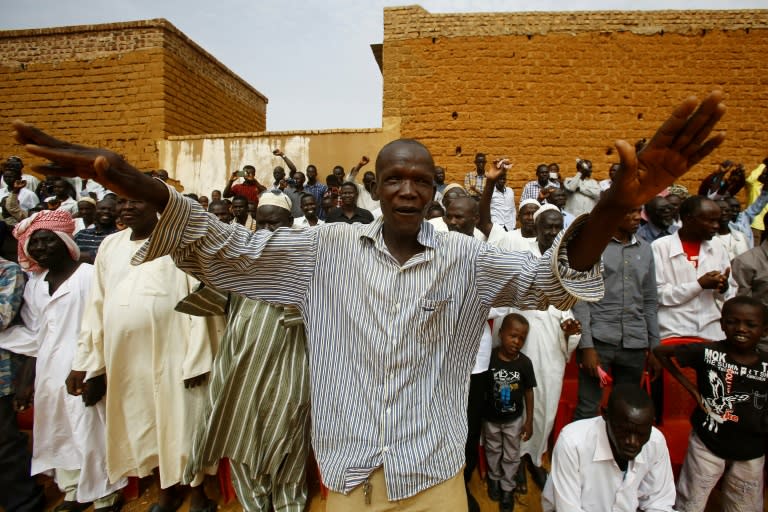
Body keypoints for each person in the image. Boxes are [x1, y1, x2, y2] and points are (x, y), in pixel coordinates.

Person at [11, 90, 727, 509]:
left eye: (420, 178)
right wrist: (140, 185)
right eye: (394, 180)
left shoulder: (471, 262)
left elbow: (547, 280)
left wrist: (613, 209)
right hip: (348, 471)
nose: (409, 190)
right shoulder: (322, 252)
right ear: (376, 189)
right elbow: (228, 252)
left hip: (435, 476)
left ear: (435, 184)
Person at [66, 197, 220, 512]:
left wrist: (198, 358)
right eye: (122, 202)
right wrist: (86, 363)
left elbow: (202, 301)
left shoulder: (179, 242)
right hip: (127, 358)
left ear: (156, 206)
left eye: (136, 200)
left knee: (184, 422)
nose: (127, 207)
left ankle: (198, 493)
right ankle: (167, 490)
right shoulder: (111, 246)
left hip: (174, 351)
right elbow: (97, 304)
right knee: (146, 422)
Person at [181, 193, 311, 511]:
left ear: (290, 224)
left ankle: (288, 503)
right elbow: (210, 294)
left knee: (288, 434)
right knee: (239, 432)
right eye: (261, 222)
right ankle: (254, 502)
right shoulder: (240, 259)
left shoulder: (307, 262)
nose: (266, 230)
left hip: (289, 366)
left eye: (275, 223)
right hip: (240, 365)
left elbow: (320, 310)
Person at [7, 210, 125, 510]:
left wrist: (97, 371)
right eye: (34, 244)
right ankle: (72, 488)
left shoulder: (89, 276)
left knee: (90, 428)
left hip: (85, 366)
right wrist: (26, 381)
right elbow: (37, 335)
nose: (40, 249)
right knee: (58, 429)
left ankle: (103, 492)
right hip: (49, 370)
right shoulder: (35, 284)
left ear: (64, 241)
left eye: (47, 241)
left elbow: (106, 326)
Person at [653, 296, 768, 512]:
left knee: (744, 507)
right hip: (707, 444)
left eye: (750, 324)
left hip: (751, 450)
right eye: (733, 322)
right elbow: (660, 352)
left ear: (764, 330)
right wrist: (692, 390)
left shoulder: (766, 364)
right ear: (722, 324)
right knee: (691, 503)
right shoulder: (707, 352)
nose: (741, 328)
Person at [573, 206, 661, 420]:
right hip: (600, 339)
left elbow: (649, 300)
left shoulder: (646, 249)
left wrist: (655, 346)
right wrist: (587, 346)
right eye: (628, 212)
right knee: (588, 407)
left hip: (635, 342)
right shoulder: (594, 247)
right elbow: (581, 299)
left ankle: (617, 452)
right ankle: (583, 453)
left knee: (627, 408)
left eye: (638, 211)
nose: (636, 217)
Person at [541, 384, 676, 511]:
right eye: (624, 431)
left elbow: (659, 503)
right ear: (605, 414)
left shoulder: (655, 442)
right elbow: (568, 509)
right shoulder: (572, 442)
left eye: (642, 434)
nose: (633, 442)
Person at [652, 196, 733, 341]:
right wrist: (699, 285)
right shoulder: (660, 247)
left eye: (717, 221)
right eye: (710, 221)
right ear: (689, 219)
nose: (716, 226)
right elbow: (657, 294)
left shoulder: (718, 246)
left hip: (711, 331)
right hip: (673, 331)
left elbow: (729, 293)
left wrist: (724, 287)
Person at [0, 255, 45, 512]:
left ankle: (23, 502)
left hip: (3, 373)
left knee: (4, 443)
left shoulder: (8, 271)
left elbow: (3, 317)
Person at [482, 313, 536, 512]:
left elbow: (529, 392)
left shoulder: (525, 363)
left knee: (512, 455)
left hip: (514, 420)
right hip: (491, 418)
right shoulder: (490, 357)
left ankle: (507, 488)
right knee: (493, 450)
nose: (517, 341)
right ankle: (494, 479)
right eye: (513, 336)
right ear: (501, 333)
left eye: (522, 338)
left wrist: (529, 421)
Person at [74, 196, 118, 263]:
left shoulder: (118, 236)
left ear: (118, 214)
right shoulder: (81, 234)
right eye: (102, 208)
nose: (106, 211)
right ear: (94, 211)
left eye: (111, 210)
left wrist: (73, 255)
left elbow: (101, 258)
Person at [489, 166, 516, 231]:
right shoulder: (490, 192)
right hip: (496, 226)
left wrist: (514, 224)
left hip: (510, 226)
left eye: (504, 179)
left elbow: (513, 209)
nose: (502, 181)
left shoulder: (510, 191)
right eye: (500, 179)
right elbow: (487, 209)